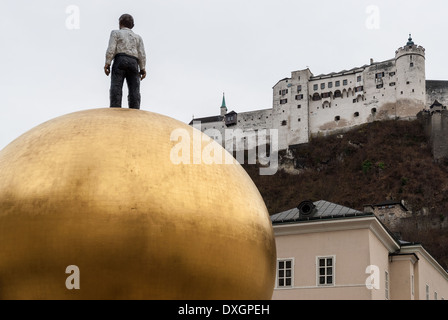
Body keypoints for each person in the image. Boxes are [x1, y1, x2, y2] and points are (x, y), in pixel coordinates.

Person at [104, 14, 146, 109]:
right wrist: (142, 68)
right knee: (134, 89)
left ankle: (115, 107)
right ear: (132, 25)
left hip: (120, 59)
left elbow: (111, 49)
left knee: (116, 86)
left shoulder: (116, 33)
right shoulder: (138, 38)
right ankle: (135, 109)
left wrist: (107, 63)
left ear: (120, 23)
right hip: (134, 62)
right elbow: (141, 54)